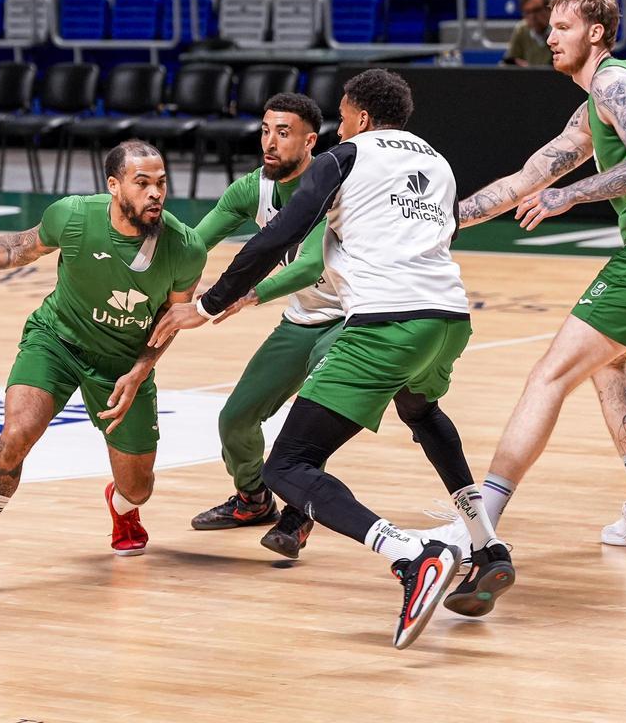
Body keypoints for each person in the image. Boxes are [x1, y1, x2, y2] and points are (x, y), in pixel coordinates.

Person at [149, 69, 512, 649]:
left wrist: (210, 304)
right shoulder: (437, 162)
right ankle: (487, 545)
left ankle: (411, 555)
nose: (340, 124)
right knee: (422, 414)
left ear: (360, 117)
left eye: (342, 115)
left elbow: (275, 240)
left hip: (384, 324)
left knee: (288, 466)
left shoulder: (344, 156)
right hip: (448, 318)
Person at [440, 0, 626, 614]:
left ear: (596, 33)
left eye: (563, 27)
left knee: (548, 375)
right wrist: (443, 222)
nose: (549, 37)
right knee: (608, 362)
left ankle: (477, 531)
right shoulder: (593, 108)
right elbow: (529, 178)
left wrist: (569, 197)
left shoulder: (615, 86)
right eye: (550, 27)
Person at [0, 139, 207, 602]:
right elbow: (21, 247)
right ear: (114, 185)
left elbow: (170, 322)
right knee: (17, 434)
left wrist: (141, 370)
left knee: (138, 488)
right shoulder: (74, 215)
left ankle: (122, 509)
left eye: (161, 182)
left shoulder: (185, 248)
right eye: (143, 183)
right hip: (55, 340)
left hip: (122, 364)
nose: (155, 193)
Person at [188, 92, 343, 560]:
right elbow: (194, 242)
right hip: (300, 321)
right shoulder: (251, 189)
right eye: (265, 130)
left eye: (283, 132)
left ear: (310, 140)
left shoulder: (330, 185)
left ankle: (300, 513)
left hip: (353, 320)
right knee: (235, 420)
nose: (269, 142)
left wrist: (244, 295)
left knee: (309, 423)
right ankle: (254, 501)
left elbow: (308, 268)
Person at [502, 0, 553, 67]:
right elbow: (507, 63)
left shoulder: (559, 28)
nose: (532, 17)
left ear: (549, 8)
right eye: (527, 12)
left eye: (536, 10)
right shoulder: (521, 30)